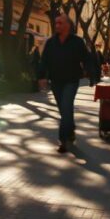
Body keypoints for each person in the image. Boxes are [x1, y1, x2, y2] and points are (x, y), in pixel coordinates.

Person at [38, 13, 87, 153]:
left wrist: (92, 74)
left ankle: (63, 140)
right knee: (64, 109)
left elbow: (86, 57)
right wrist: (42, 77)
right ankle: (70, 131)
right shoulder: (51, 42)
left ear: (68, 25)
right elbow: (44, 61)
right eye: (56, 23)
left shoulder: (77, 42)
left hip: (71, 81)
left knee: (66, 106)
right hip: (56, 81)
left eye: (60, 23)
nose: (57, 25)